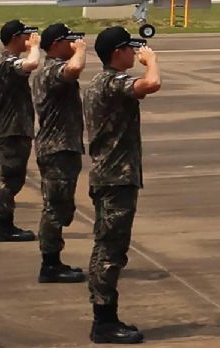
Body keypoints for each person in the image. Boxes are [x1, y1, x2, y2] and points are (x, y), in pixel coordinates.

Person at [83, 26, 161, 344]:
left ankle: (105, 315)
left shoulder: (100, 83)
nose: (135, 53)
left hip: (111, 177)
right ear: (118, 53)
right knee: (110, 250)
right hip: (115, 179)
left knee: (108, 246)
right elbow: (151, 84)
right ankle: (104, 322)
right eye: (130, 48)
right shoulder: (112, 82)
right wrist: (151, 60)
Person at [32, 23, 88, 283]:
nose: (73, 44)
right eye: (68, 40)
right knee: (54, 207)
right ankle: (50, 264)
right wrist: (81, 50)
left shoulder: (52, 69)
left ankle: (53, 260)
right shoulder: (51, 70)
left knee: (61, 206)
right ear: (55, 45)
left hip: (63, 147)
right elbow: (75, 68)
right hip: (57, 148)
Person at [0, 20, 42, 241]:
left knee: (14, 178)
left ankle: (6, 224)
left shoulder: (9, 62)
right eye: (24, 36)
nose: (28, 40)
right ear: (14, 38)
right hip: (11, 129)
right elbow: (31, 64)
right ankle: (4, 226)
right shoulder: (7, 63)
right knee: (8, 179)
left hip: (16, 128)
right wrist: (35, 48)